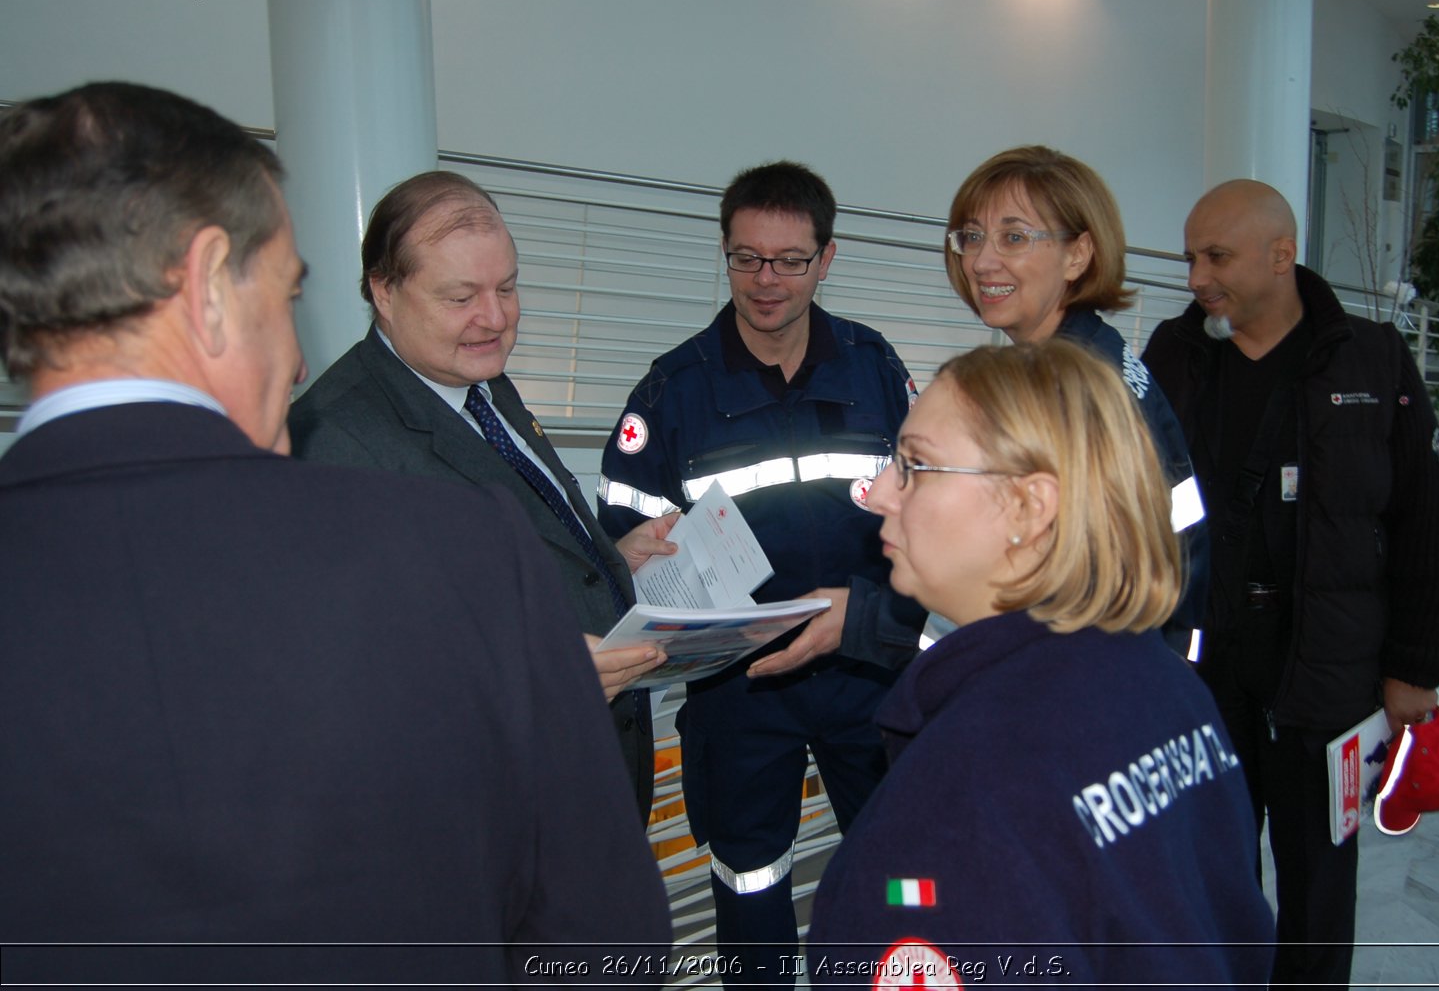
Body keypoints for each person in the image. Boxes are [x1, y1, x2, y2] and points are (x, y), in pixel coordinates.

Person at [0, 82, 670, 985]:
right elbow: (607, 934)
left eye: (506, 289)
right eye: (285, 295)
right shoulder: (437, 531)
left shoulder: (486, 414)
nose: (303, 355)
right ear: (204, 285)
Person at [806, 340, 1274, 988]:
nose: (879, 491)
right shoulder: (1166, 685)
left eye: (915, 464)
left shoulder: (956, 808)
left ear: (1030, 508)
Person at [596, 161, 925, 984]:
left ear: (827, 258)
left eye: (789, 259)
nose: (766, 280)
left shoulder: (875, 369)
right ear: (726, 255)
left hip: (867, 667)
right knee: (751, 879)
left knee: (906, 870)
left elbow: (929, 516)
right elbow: (615, 549)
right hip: (740, 690)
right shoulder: (672, 394)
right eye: (746, 258)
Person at [1141, 179, 1439, 989]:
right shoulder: (1172, 359)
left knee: (1320, 879)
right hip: (1201, 665)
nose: (1195, 279)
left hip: (1325, 670)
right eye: (1190, 258)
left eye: (1215, 257)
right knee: (1211, 862)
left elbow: (1429, 523)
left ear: (1281, 255)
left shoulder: (1373, 357)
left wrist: (1414, 669)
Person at [289, 171, 674, 823]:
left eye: (507, 288)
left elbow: (508, 545)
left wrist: (606, 560)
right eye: (461, 296)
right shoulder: (331, 441)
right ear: (385, 291)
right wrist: (533, 677)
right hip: (482, 816)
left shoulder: (481, 382)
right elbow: (341, 675)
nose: (495, 318)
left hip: (585, 781)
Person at [943, 145, 1207, 652]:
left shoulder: (1072, 389)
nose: (981, 261)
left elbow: (1054, 582)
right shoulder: (1090, 357)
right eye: (972, 237)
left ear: (1078, 255)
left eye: (1013, 237)